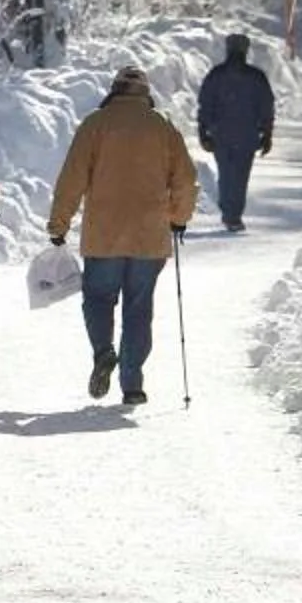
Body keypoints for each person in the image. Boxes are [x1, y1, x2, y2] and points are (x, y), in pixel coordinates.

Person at [46, 65, 198, 405]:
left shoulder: (95, 125)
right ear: (145, 94)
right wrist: (178, 218)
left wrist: (59, 224)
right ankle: (133, 385)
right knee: (138, 308)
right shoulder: (162, 127)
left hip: (104, 235)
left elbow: (72, 178)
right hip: (150, 235)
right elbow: (186, 179)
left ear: (114, 91)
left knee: (98, 299)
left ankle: (103, 351)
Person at [196, 30, 275, 231]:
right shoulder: (256, 77)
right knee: (240, 175)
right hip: (247, 134)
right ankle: (233, 214)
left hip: (221, 133)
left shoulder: (216, 75)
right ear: (246, 50)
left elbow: (205, 105)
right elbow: (267, 107)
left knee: (226, 172)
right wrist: (267, 135)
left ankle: (228, 210)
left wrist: (203, 131)